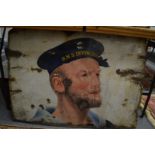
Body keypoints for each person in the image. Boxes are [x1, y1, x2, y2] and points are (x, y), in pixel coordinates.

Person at [31, 37, 114, 128]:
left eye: (97, 74)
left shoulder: (106, 126)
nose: (96, 83)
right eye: (84, 75)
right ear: (58, 84)